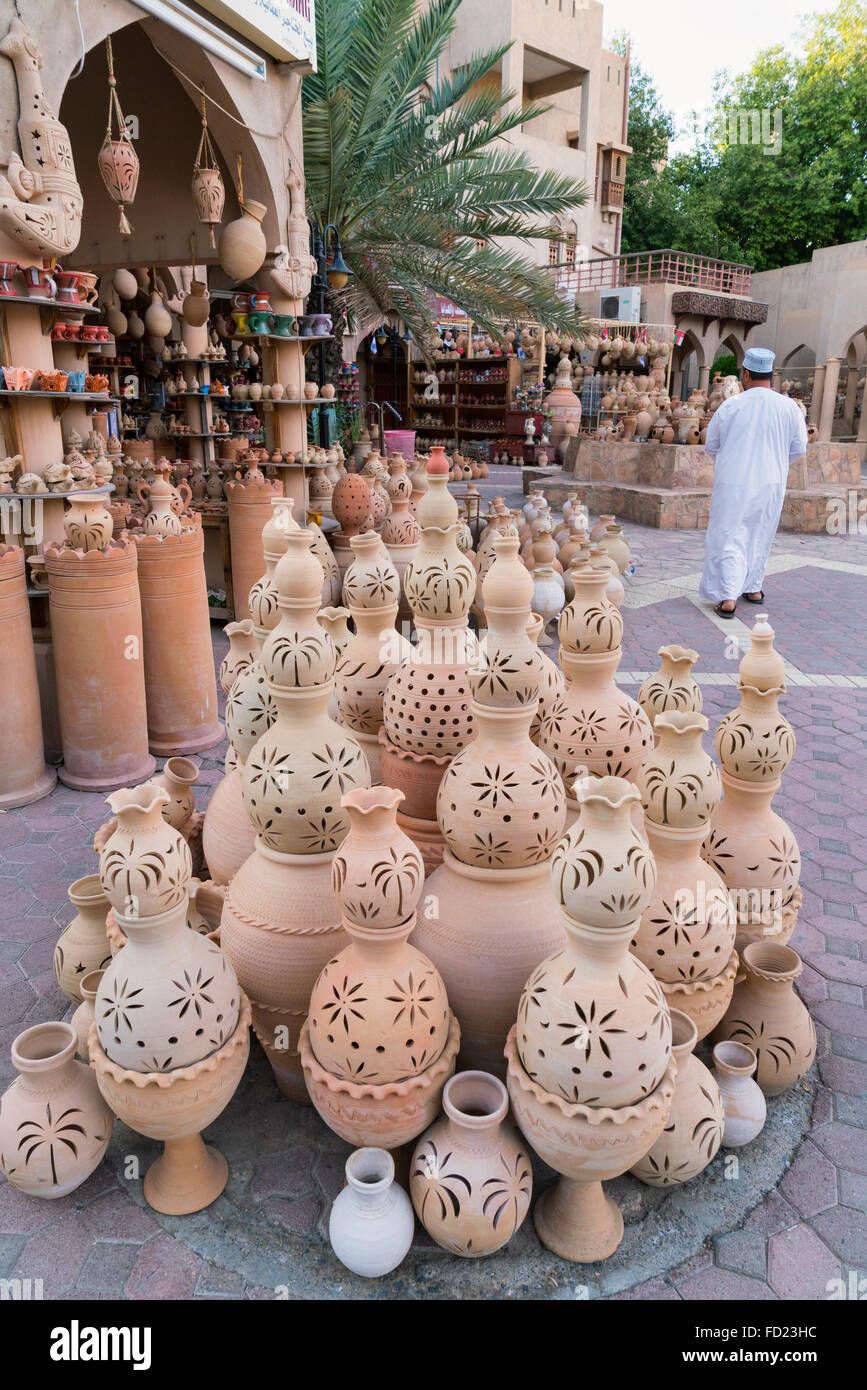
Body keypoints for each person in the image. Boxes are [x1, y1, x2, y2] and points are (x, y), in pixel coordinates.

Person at [699, 346, 807, 618]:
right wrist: (775, 464)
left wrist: (732, 461)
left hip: (734, 483)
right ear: (771, 374)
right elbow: (799, 448)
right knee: (761, 533)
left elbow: (711, 445)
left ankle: (727, 597)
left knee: (730, 535)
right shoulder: (789, 408)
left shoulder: (731, 406)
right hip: (771, 483)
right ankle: (753, 588)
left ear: (745, 373)